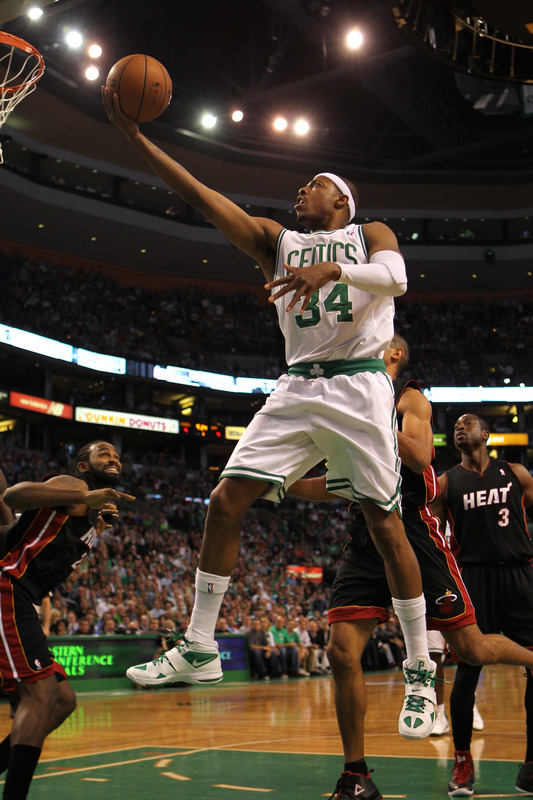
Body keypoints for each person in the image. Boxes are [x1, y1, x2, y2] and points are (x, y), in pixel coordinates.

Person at [103, 88, 437, 737]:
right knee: (224, 502)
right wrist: (136, 139)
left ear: (339, 200)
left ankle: (422, 667)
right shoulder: (274, 241)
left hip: (357, 385)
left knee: (383, 524)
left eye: (311, 185)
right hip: (295, 387)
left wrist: (334, 272)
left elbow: (394, 279)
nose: (298, 192)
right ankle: (200, 644)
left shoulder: (367, 233)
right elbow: (202, 197)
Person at [289, 338, 533, 800]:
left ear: (393, 355)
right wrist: (278, 484)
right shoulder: (343, 399)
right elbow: (336, 485)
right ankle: (356, 774)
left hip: (414, 534)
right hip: (364, 538)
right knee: (341, 652)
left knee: (473, 648)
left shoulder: (409, 399)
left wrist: (365, 418)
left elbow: (420, 457)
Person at [0, 440, 134, 800]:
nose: (112, 458)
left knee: (62, 700)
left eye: (116, 455)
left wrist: (97, 527)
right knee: (41, 693)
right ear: (84, 466)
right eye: (103, 453)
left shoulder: (91, 512)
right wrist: (86, 501)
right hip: (6, 586)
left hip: (23, 595)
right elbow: (14, 495)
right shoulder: (74, 487)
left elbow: (46, 548)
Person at [431, 413, 533, 797]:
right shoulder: (446, 484)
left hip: (520, 577)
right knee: (469, 670)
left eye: (469, 422)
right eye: (456, 424)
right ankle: (462, 762)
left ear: (486, 435)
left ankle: (530, 766)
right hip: (472, 580)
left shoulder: (516, 473)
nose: (460, 427)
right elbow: (434, 541)